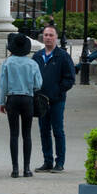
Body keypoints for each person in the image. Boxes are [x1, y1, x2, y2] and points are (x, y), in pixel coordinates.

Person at [0, 32, 42, 178]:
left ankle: (15, 169)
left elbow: (3, 85)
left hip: (13, 98)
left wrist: (2, 102)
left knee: (14, 134)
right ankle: (27, 168)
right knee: (27, 134)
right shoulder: (32, 64)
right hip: (27, 99)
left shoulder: (8, 63)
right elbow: (38, 84)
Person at [33, 25, 75, 172]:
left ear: (56, 37)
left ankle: (60, 162)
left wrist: (57, 92)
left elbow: (70, 79)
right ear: (42, 37)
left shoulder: (63, 56)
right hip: (41, 101)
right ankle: (47, 161)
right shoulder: (37, 56)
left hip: (57, 101)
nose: (48, 38)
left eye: (51, 35)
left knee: (57, 131)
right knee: (44, 131)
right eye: (46, 35)